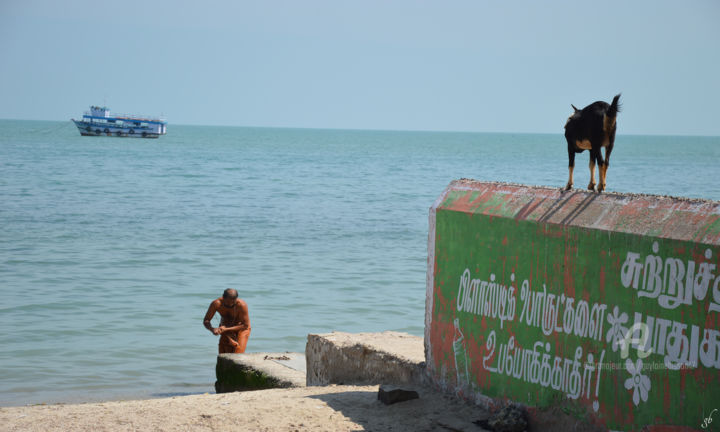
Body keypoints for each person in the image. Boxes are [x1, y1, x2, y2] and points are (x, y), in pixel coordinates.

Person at [203, 289, 251, 354]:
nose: (230, 305)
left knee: (238, 352)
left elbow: (245, 325)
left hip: (242, 328)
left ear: (236, 299)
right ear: (223, 297)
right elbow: (206, 320)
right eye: (227, 303)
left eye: (233, 303)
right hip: (225, 326)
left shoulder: (241, 305)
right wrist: (212, 329)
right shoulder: (216, 304)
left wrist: (226, 329)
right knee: (223, 353)